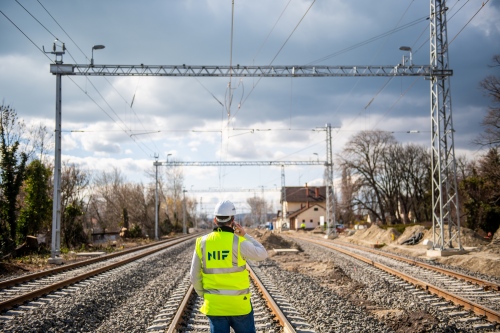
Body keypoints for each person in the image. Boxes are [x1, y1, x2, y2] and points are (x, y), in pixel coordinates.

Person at [190, 200, 268, 333]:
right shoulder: (239, 242)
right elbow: (262, 253)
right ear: (233, 220)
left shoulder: (202, 243)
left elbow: (194, 276)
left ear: (215, 220)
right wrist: (244, 235)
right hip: (239, 305)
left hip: (215, 305)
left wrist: (205, 295)